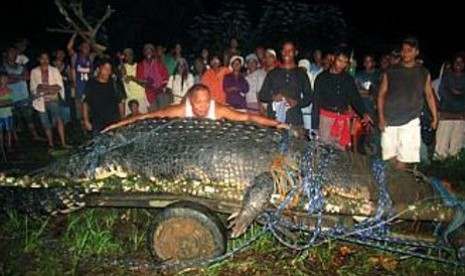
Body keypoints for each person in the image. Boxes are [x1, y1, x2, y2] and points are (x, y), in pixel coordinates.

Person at [103, 84, 288, 132]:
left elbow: (248, 117)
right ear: (190, 102)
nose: (203, 107)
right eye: (198, 103)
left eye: (206, 102)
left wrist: (277, 124)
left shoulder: (218, 110)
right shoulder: (181, 110)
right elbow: (147, 116)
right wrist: (117, 124)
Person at [378, 37, 438, 169]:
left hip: (411, 120)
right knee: (389, 157)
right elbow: (381, 94)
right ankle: (391, 183)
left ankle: (398, 186)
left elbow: (429, 95)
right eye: (404, 50)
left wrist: (435, 117)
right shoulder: (391, 70)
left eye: (409, 50)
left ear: (416, 52)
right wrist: (381, 118)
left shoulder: (423, 73)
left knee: (404, 159)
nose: (406, 53)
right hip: (390, 119)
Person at [312, 49, 373, 149]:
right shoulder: (322, 78)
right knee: (324, 151)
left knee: (340, 154)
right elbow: (316, 101)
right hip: (326, 120)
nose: (342, 65)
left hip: (342, 120)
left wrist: (364, 113)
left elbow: (355, 97)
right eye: (340, 61)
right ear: (333, 59)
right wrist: (314, 126)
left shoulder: (348, 79)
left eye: (345, 62)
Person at [258, 41, 312, 127]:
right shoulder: (273, 73)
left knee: (294, 140)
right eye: (284, 50)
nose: (287, 53)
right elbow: (262, 95)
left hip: (294, 118)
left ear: (295, 53)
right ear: (281, 52)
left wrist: (297, 102)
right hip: (274, 119)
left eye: (290, 50)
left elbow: (308, 97)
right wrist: (274, 97)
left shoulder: (301, 74)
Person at [30, 51, 71, 149]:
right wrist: (48, 88)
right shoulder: (34, 72)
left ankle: (63, 142)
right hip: (40, 101)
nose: (45, 61)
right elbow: (34, 88)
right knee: (45, 123)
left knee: (59, 119)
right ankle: (51, 144)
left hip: (53, 99)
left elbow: (59, 86)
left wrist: (45, 88)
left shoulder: (54, 70)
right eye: (42, 58)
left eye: (47, 58)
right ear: (39, 60)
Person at [82, 58, 125, 135]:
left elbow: (120, 102)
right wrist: (86, 121)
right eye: (105, 68)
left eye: (110, 69)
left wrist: (122, 120)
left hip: (113, 122)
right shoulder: (91, 84)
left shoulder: (115, 84)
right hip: (97, 123)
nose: (108, 72)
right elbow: (85, 103)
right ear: (99, 69)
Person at [434, 54, 465, 158]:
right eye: (456, 62)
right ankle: (438, 169)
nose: (458, 64)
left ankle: (452, 169)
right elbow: (443, 93)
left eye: (461, 62)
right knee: (441, 148)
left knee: (456, 148)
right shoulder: (446, 77)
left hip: (461, 118)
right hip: (446, 115)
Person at [119, 48, 149, 115]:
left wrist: (132, 78)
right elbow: (123, 74)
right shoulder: (122, 66)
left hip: (140, 96)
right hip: (130, 97)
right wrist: (120, 59)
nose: (128, 57)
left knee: (143, 117)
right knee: (129, 120)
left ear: (133, 56)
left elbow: (144, 81)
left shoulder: (139, 65)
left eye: (130, 55)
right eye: (126, 55)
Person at [0, 75, 13, 147]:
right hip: (0, 114)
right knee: (0, 130)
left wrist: (3, 102)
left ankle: (9, 144)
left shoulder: (10, 90)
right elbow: (7, 102)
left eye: (5, 79)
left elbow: (10, 102)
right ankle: (1, 144)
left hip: (8, 113)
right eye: (2, 79)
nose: (4, 81)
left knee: (8, 129)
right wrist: (5, 102)